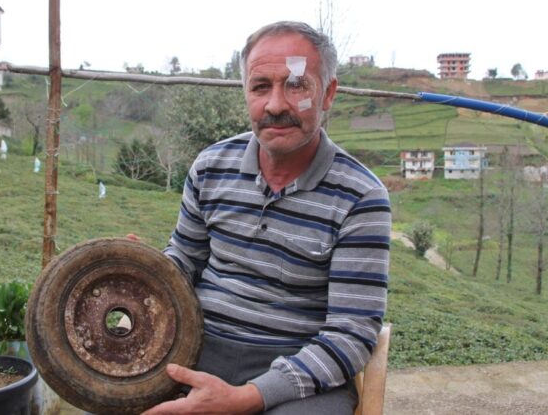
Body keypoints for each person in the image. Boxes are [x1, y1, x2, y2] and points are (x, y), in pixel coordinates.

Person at [144, 21, 391, 414]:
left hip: (300, 375)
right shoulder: (211, 167)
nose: (275, 105)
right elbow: (184, 260)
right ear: (246, 93)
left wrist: (246, 398)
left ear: (327, 93)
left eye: (295, 85)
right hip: (195, 349)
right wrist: (147, 270)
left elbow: (351, 332)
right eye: (261, 87)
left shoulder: (361, 196)